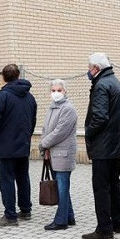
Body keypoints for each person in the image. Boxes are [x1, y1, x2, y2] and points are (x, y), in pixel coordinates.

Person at [0, 64, 37, 227]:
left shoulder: (3, 96)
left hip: (6, 147)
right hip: (23, 144)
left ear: (4, 77)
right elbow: (33, 121)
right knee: (23, 178)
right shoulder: (30, 97)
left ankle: (10, 215)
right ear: (18, 75)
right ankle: (26, 210)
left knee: (6, 180)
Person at [82, 53, 120, 239]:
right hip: (115, 144)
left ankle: (104, 229)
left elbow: (99, 117)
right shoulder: (116, 83)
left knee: (101, 187)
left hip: (103, 145)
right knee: (114, 183)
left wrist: (89, 132)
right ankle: (118, 223)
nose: (88, 71)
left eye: (89, 67)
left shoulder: (101, 85)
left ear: (96, 68)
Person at [39, 79, 78, 230]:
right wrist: (45, 146)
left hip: (63, 153)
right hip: (53, 153)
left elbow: (60, 132)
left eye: (59, 90)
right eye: (53, 90)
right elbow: (46, 129)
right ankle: (69, 216)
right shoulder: (52, 107)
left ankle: (61, 221)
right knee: (62, 188)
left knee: (62, 188)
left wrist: (44, 143)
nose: (56, 93)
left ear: (65, 91)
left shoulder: (68, 108)